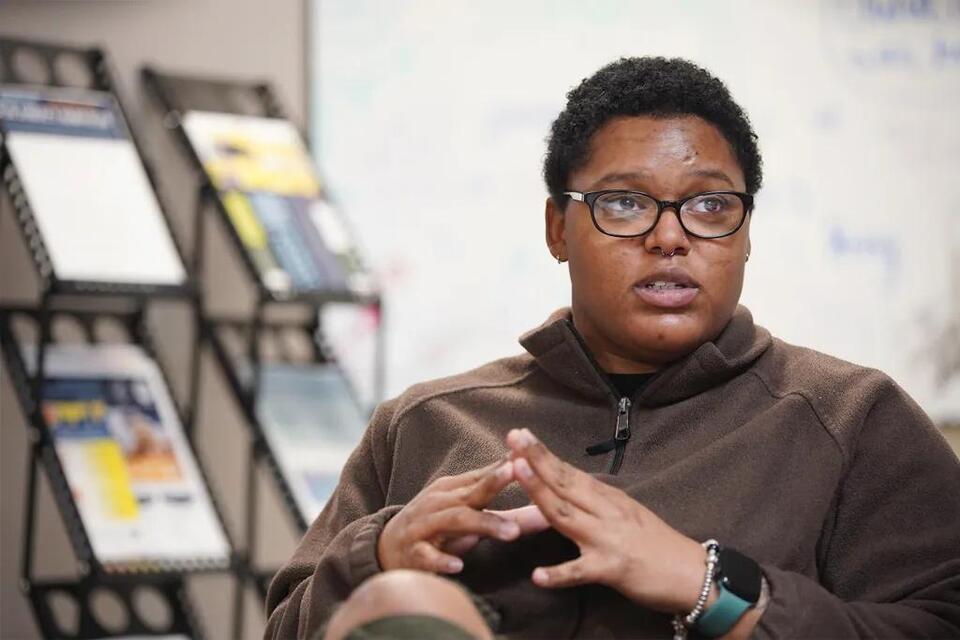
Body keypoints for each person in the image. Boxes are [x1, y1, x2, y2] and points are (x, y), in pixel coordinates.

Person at [265, 57, 960, 639]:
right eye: (624, 202)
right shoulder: (424, 424)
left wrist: (707, 584)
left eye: (711, 205)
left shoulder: (852, 419)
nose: (669, 237)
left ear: (747, 233)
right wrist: (379, 558)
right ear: (557, 230)